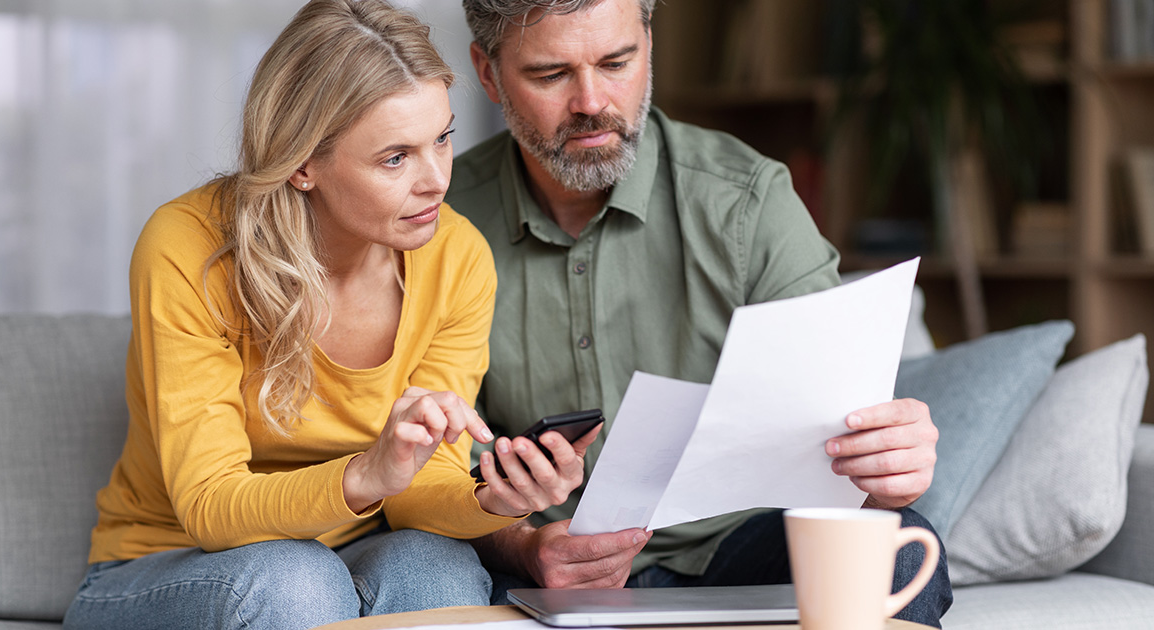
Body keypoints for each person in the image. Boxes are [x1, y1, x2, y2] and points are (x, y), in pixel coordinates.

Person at [63, 2, 593, 629]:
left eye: (443, 139)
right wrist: (370, 473)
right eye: (396, 158)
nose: (436, 181)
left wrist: (496, 500)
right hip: (170, 564)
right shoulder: (188, 247)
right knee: (297, 582)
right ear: (302, 164)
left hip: (347, 555)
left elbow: (423, 491)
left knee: (440, 571)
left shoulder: (458, 256)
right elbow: (208, 505)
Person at [447, 0, 953, 627]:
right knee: (427, 573)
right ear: (489, 74)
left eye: (616, 61)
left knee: (898, 549)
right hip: (526, 555)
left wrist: (884, 476)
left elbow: (840, 444)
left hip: (733, 542)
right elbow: (415, 466)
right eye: (551, 74)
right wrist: (518, 544)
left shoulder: (747, 200)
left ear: (649, 44)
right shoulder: (435, 220)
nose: (591, 101)